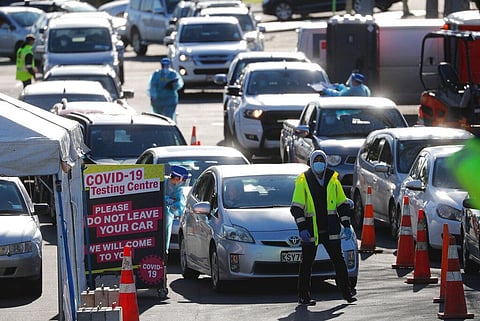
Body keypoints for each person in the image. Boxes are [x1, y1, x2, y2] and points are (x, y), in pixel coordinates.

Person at [290, 150, 356, 306]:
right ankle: (303, 296)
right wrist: (302, 228)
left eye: (321, 160)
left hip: (330, 229)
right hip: (311, 231)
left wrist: (346, 225)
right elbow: (297, 208)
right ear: (311, 163)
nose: (319, 163)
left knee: (339, 261)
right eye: (316, 160)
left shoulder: (333, 180)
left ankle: (347, 293)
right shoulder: (303, 180)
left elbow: (342, 204)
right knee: (307, 263)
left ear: (326, 163)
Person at [148, 57, 184, 122]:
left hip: (170, 100)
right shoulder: (156, 74)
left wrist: (173, 85)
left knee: (169, 118)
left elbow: (179, 85)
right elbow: (151, 86)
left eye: (166, 65)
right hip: (158, 100)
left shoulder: (173, 74)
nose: (165, 67)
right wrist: (152, 96)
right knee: (158, 118)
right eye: (163, 65)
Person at [164, 165, 190, 255]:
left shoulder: (178, 189)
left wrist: (172, 206)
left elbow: (180, 206)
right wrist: (167, 199)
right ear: (176, 177)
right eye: (182, 179)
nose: (183, 182)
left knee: (164, 242)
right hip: (153, 217)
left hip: (167, 219)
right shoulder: (161, 181)